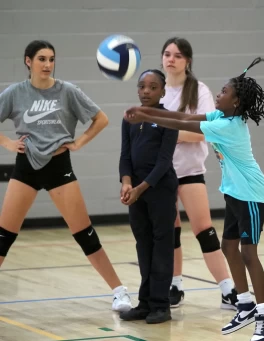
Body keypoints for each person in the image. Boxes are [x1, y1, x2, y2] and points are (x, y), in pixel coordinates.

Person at [124, 57, 264, 341]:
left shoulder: (229, 127)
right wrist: (149, 114)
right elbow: (185, 117)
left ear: (236, 102)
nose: (218, 95)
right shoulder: (222, 117)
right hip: (234, 192)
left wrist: (147, 115)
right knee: (229, 249)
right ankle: (244, 305)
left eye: (223, 92)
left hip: (252, 195)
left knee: (248, 253)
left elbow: (184, 122)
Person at [0, 40, 132, 312]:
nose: (47, 64)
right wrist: (8, 144)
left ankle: (120, 292)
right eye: (41, 59)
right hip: (25, 166)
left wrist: (79, 142)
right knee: (4, 235)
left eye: (51, 59)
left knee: (84, 232)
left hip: (59, 167)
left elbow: (101, 118)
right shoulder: (15, 93)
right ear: (28, 61)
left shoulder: (68, 91)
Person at [160, 37, 238, 310]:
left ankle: (228, 289)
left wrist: (170, 135)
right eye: (167, 54)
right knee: (171, 232)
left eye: (178, 55)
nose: (171, 59)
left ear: (187, 61)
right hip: (161, 172)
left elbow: (205, 129)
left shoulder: (198, 90)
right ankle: (175, 285)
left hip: (190, 171)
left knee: (204, 230)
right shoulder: (156, 90)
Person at [118, 69, 179, 324]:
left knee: (162, 246)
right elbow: (125, 156)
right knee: (143, 245)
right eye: (142, 86)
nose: (146, 91)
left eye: (153, 87)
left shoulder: (168, 119)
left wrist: (141, 188)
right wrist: (126, 182)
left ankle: (161, 305)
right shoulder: (129, 118)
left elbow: (164, 161)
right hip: (136, 193)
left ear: (163, 91)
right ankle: (145, 303)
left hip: (160, 190)